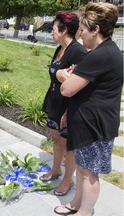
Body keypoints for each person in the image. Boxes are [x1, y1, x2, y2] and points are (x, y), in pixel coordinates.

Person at [54, 2, 123, 216]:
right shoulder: (106, 51)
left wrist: (63, 75)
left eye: (83, 30)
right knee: (84, 170)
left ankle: (84, 212)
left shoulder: (99, 55)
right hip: (91, 122)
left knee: (89, 173)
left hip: (94, 125)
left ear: (96, 30)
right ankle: (76, 204)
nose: (80, 35)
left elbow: (66, 89)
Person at [40, 11, 87, 197]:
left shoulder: (78, 52)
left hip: (69, 107)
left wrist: (68, 112)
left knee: (68, 144)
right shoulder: (59, 48)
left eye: (53, 29)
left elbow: (81, 86)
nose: (51, 32)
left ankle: (68, 180)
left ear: (64, 29)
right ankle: (56, 170)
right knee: (55, 138)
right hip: (54, 101)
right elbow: (56, 77)